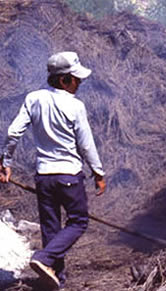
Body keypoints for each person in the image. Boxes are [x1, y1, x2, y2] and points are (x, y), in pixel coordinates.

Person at [0, 51, 106, 289]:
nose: (79, 83)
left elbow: (13, 132)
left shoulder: (33, 98)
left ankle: (55, 279)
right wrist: (98, 173)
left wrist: (6, 162)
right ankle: (43, 258)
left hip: (44, 177)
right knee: (78, 222)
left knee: (51, 227)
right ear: (63, 80)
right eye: (76, 79)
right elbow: (86, 144)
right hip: (68, 174)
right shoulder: (75, 106)